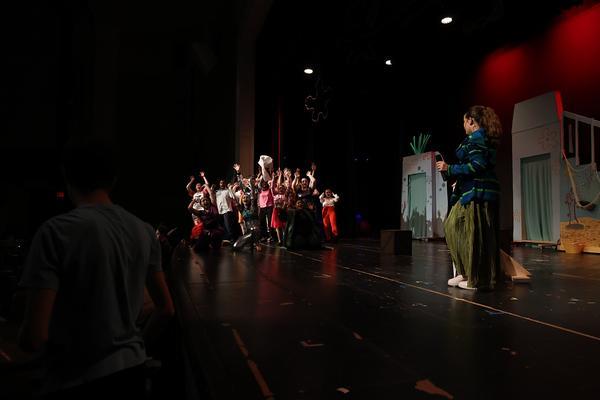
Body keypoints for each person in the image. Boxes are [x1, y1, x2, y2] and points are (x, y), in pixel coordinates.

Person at [18, 136, 175, 398]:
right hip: (132, 371)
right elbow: (166, 308)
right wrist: (135, 348)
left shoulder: (55, 232)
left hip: (76, 378)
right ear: (113, 179)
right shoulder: (144, 231)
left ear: (67, 175)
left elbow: (34, 336)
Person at [436, 105, 502, 290]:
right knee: (453, 227)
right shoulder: (476, 140)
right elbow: (475, 167)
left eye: (464, 122)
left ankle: (477, 278)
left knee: (472, 234)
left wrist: (450, 169)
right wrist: (459, 180)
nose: (463, 126)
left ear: (471, 121)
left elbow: (477, 166)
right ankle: (465, 272)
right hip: (470, 189)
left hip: (478, 192)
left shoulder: (477, 140)